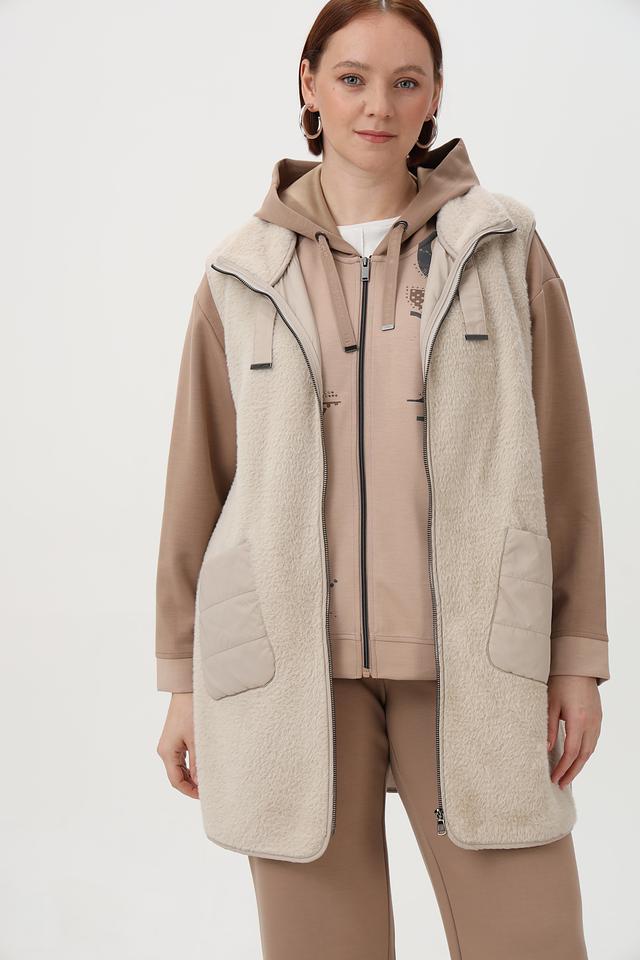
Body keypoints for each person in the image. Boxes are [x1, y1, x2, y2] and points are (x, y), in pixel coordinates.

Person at [155, 2, 610, 957]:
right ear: (310, 84)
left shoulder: (502, 246)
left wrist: (576, 656)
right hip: (288, 673)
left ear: (435, 95)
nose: (379, 106)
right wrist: (183, 683)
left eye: (407, 82)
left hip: (477, 661)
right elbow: (200, 486)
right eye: (353, 78)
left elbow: (563, 460)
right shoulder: (240, 274)